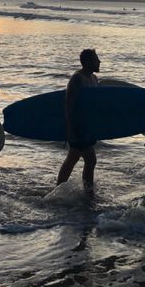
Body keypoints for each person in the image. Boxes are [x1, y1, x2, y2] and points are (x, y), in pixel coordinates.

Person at [56, 49, 100, 192]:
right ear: (87, 62)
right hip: (78, 126)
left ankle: (58, 189)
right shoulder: (77, 79)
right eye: (96, 59)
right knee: (90, 160)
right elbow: (69, 105)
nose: (99, 62)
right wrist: (70, 129)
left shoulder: (94, 79)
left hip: (87, 126)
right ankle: (88, 191)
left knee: (73, 158)